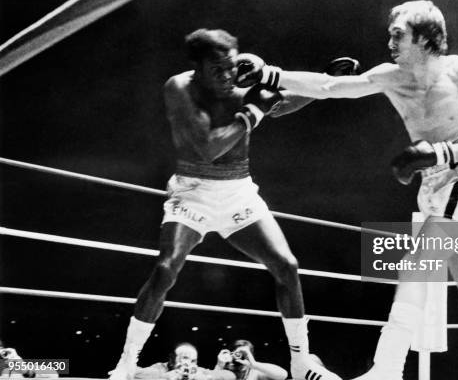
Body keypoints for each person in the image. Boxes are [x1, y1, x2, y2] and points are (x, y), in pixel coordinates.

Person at [235, 0, 458, 380]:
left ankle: (386, 370)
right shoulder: (392, 75)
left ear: (424, 38)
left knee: (417, 269)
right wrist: (271, 75)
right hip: (437, 188)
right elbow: (332, 86)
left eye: (398, 34)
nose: (390, 40)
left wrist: (438, 152)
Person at [108, 28, 342, 380]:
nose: (227, 75)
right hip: (193, 192)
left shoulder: (240, 81)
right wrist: (253, 110)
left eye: (231, 66)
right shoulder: (180, 88)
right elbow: (208, 147)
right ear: (197, 66)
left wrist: (328, 84)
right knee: (166, 269)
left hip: (238, 192)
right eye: (217, 68)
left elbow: (281, 104)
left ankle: (301, 361)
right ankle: (127, 363)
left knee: (287, 266)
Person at [134, 342, 234, 380]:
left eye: (193, 360)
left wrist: (206, 377)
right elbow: (130, 373)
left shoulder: (196, 370)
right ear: (171, 360)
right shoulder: (160, 369)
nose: (188, 364)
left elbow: (231, 376)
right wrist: (165, 377)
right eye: (184, 358)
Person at [214, 340, 287, 380]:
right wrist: (219, 365)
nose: (238, 357)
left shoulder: (253, 370)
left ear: (250, 356)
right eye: (235, 353)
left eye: (243, 354)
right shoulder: (224, 369)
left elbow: (282, 375)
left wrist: (254, 365)